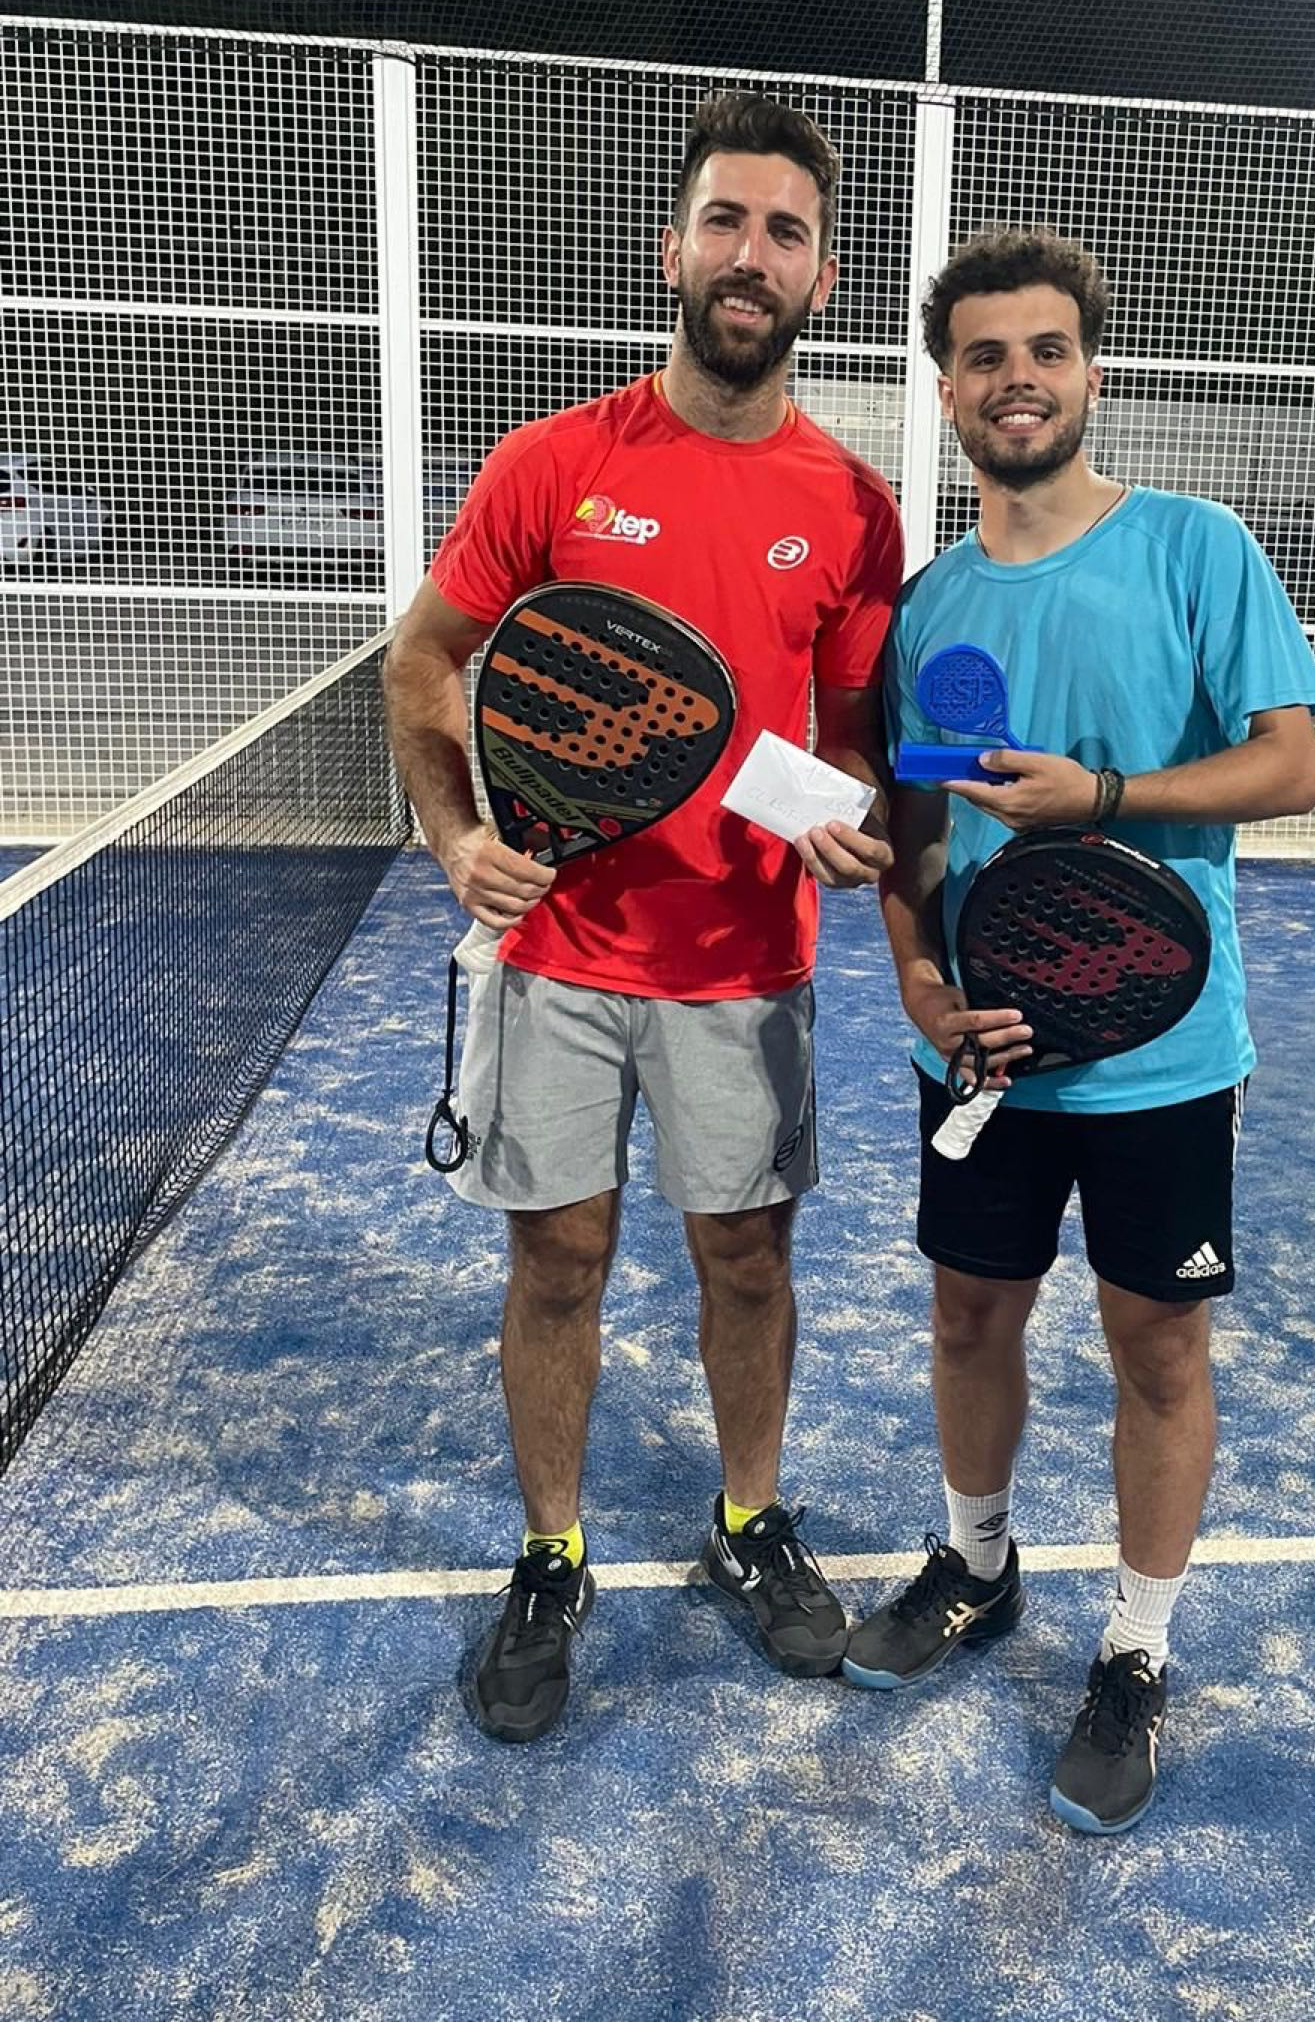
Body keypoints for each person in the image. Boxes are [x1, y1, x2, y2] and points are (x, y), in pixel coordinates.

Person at [384, 93, 902, 1743]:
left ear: (821, 278)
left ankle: (749, 1519)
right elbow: (424, 661)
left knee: (747, 1259)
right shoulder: (556, 463)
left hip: (746, 966)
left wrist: (851, 816)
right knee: (560, 1259)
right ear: (674, 247)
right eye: (727, 221)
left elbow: (853, 737)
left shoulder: (856, 505)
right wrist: (457, 835)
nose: (753, 254)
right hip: (554, 959)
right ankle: (553, 1553)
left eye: (786, 231)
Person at [843, 228, 1315, 1835]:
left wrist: (1105, 795)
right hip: (981, 1050)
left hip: (1163, 1053)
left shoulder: (1196, 547)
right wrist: (919, 983)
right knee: (969, 1316)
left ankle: (1134, 1648)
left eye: (1045, 350)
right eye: (983, 356)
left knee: (1157, 1345)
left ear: (1091, 372)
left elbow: (1289, 766)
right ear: (947, 391)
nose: (1017, 380)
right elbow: (910, 826)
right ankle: (977, 1566)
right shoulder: (928, 607)